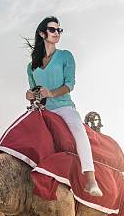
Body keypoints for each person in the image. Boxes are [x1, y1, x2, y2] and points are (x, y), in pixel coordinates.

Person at [25, 16, 103, 197]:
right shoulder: (31, 66)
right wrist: (31, 95)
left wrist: (51, 93)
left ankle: (91, 179)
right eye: (52, 30)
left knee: (78, 130)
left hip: (64, 107)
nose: (57, 33)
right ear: (42, 33)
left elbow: (70, 84)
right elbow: (34, 91)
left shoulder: (65, 56)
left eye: (59, 30)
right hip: (42, 110)